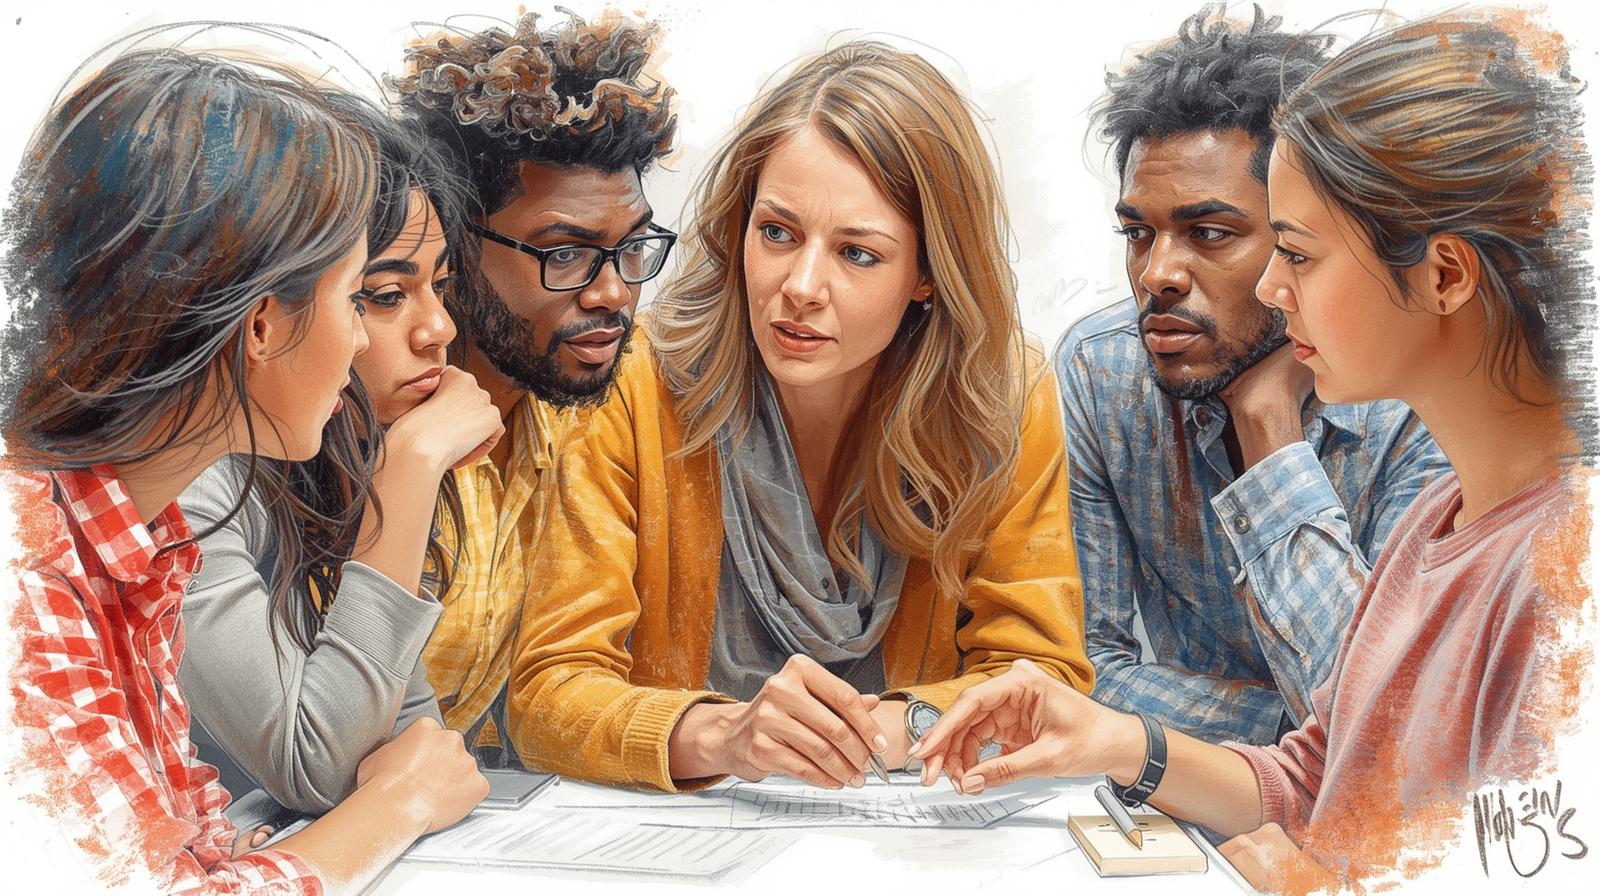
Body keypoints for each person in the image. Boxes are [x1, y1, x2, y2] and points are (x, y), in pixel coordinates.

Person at [913, 10, 1590, 892]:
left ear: (1445, 276)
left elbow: (1515, 855)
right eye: (1137, 234)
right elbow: (1327, 763)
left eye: (1295, 252)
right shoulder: (1442, 516)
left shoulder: (1556, 556)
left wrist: (1326, 882)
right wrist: (1119, 738)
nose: (1158, 273)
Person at [509, 41, 1093, 793]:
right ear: (740, 226)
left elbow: (1042, 683)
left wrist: (877, 730)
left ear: (926, 274)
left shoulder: (1002, 398)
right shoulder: (638, 383)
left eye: (857, 253)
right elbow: (548, 694)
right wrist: (726, 734)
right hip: (682, 846)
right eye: (778, 233)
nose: (800, 287)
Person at [2, 49, 487, 894]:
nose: (433, 330)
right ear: (261, 326)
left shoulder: (145, 543)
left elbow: (191, 845)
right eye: (360, 297)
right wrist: (396, 810)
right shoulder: (29, 574)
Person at [1054, 2, 1449, 745]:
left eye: (1210, 233)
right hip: (1191, 806)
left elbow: (1390, 724)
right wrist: (1287, 728)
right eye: (1138, 233)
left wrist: (1268, 427)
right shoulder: (1102, 371)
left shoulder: (1415, 404)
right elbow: (1082, 668)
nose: (1157, 274)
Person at [177, 91, 505, 813]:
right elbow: (321, 770)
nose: (440, 330)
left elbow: (409, 750)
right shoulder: (185, 482)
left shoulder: (327, 453)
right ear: (261, 307)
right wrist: (412, 466)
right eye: (381, 295)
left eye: (440, 286)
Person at [389, 9, 679, 756]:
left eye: (632, 247)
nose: (613, 294)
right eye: (566, 254)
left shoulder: (584, 394)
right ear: (452, 241)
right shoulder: (347, 421)